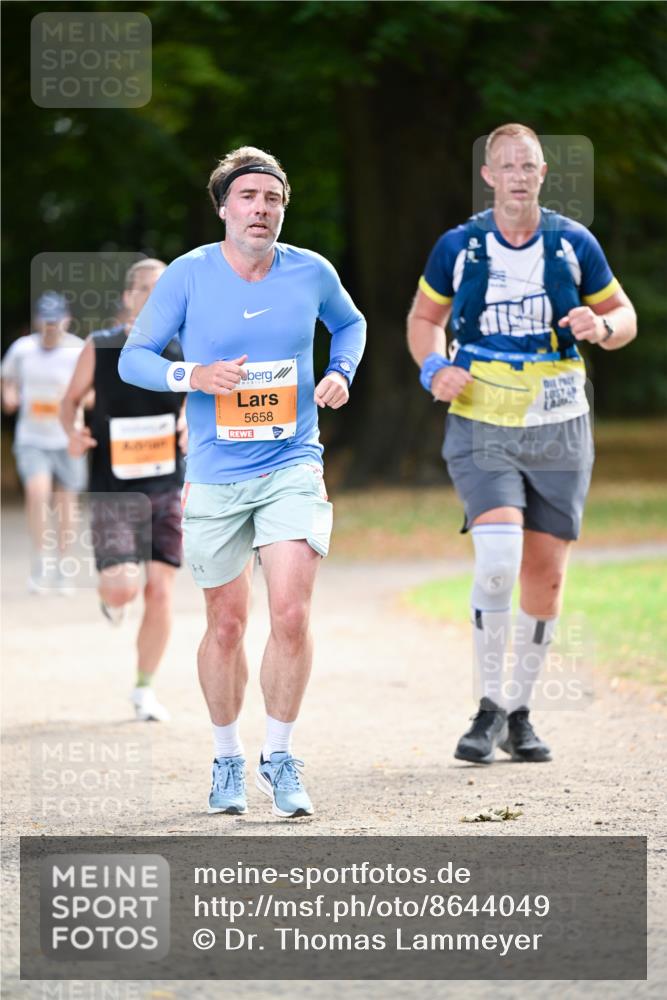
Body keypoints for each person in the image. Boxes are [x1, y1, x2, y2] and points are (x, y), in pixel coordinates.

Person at [119, 146, 366, 816]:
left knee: (289, 611)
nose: (261, 209)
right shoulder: (188, 275)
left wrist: (340, 370)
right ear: (224, 206)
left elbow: (349, 323)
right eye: (250, 197)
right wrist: (189, 376)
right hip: (216, 472)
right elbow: (135, 357)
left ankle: (279, 757)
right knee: (226, 623)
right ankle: (226, 757)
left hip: (291, 461)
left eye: (273, 199)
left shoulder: (310, 271)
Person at [407, 123, 637, 765]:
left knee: (547, 576)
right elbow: (424, 320)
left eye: (527, 164)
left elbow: (625, 318)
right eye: (505, 164)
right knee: (500, 555)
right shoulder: (459, 246)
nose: (516, 174)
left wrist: (603, 324)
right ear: (488, 175)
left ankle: (519, 712)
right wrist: (433, 369)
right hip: (483, 423)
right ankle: (485, 710)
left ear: (540, 174)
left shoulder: (572, 244)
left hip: (561, 426)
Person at [60, 259, 186, 722]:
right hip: (113, 488)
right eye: (146, 289)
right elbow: (70, 402)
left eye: (164, 290)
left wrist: (190, 421)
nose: (155, 297)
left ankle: (144, 688)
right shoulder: (102, 345)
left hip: (167, 483)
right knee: (122, 590)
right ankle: (111, 596)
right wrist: (74, 429)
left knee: (161, 590)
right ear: (129, 297)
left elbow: (199, 399)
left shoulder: (184, 346)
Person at [1, 292, 87, 594]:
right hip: (32, 437)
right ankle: (42, 560)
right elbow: (7, 378)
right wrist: (9, 394)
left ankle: (65, 566)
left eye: (56, 321)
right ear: (37, 321)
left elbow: (92, 394)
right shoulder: (22, 349)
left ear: (66, 320)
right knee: (37, 494)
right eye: (46, 321)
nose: (51, 327)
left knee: (66, 503)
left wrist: (74, 401)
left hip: (67, 438)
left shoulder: (78, 351)